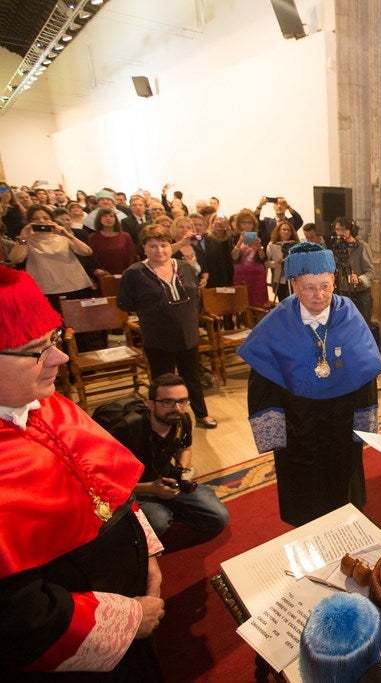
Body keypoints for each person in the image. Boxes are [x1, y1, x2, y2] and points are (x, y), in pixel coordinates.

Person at [0, 266, 164, 676]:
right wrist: (128, 619)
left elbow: (112, 490)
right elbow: (21, 617)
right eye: (38, 350)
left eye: (55, 340)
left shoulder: (50, 403)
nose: (58, 357)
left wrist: (148, 558)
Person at [238, 242, 381, 526]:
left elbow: (365, 374)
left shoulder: (349, 314)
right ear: (293, 284)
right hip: (297, 428)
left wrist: (365, 426)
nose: (319, 295)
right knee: (303, 494)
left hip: (342, 425)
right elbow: (263, 383)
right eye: (308, 287)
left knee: (344, 488)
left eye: (325, 286)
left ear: (334, 281)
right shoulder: (277, 321)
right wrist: (273, 436)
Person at [100, 374, 229, 547]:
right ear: (150, 404)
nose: (177, 408)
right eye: (167, 402)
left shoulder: (182, 420)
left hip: (167, 481)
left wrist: (181, 469)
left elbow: (185, 448)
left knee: (219, 517)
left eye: (182, 401)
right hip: (133, 489)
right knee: (159, 521)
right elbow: (102, 480)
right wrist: (150, 489)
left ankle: (161, 514)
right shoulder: (128, 428)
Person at [118, 225, 218, 429]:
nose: (159, 250)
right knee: (163, 381)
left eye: (163, 245)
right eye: (152, 246)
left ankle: (201, 414)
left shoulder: (185, 267)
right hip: (158, 336)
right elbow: (125, 304)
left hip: (187, 333)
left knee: (192, 377)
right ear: (144, 248)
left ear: (170, 245)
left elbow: (195, 297)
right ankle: (165, 419)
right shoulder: (134, 273)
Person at [7, 204, 94, 312]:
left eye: (46, 218)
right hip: (45, 289)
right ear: (29, 222)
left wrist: (67, 234)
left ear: (52, 220)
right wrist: (23, 237)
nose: (41, 221)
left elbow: (87, 252)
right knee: (55, 326)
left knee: (81, 323)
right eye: (35, 218)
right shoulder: (26, 241)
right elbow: (15, 259)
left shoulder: (63, 237)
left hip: (75, 286)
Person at [324, 217, 375, 324]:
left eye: (343, 229)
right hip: (343, 293)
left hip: (361, 294)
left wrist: (359, 279)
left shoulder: (362, 247)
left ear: (351, 230)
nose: (340, 232)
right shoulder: (335, 247)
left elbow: (371, 272)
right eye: (337, 229)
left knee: (362, 326)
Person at [231, 211, 269, 307]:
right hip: (241, 274)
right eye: (243, 222)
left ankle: (258, 321)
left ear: (254, 224)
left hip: (257, 275)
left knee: (259, 302)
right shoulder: (234, 237)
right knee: (242, 302)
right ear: (239, 224)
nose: (247, 225)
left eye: (249, 222)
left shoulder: (259, 236)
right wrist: (239, 243)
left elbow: (263, 257)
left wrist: (259, 246)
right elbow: (234, 257)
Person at [266, 221, 300, 302]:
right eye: (284, 229)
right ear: (279, 231)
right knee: (283, 301)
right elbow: (266, 263)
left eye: (289, 230)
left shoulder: (296, 245)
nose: (286, 232)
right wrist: (277, 263)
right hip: (279, 278)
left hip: (294, 278)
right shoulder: (272, 245)